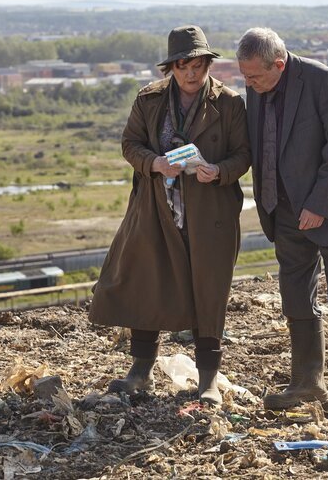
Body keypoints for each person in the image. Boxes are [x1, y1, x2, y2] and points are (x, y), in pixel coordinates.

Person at [90, 25, 250, 406]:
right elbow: (130, 144)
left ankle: (208, 379)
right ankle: (141, 370)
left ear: (208, 64)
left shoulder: (229, 103)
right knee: (147, 281)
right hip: (156, 207)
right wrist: (156, 163)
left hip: (209, 212)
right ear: (171, 68)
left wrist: (220, 172)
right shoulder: (149, 100)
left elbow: (244, 154)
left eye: (198, 65)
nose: (191, 73)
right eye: (183, 66)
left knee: (208, 293)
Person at [236, 27, 328, 416]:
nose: (247, 83)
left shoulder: (324, 82)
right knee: (295, 294)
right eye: (244, 76)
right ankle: (308, 383)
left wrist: (317, 204)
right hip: (282, 209)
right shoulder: (258, 85)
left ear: (278, 65)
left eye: (254, 77)